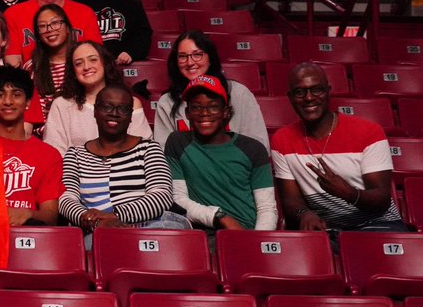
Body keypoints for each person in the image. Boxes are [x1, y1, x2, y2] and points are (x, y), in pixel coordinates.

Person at [272, 62, 406, 232]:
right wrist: (304, 214)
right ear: (290, 97)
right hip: (326, 230)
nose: (308, 98)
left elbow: (382, 199)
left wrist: (349, 193)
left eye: (317, 89)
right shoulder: (282, 139)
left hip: (378, 225)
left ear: (328, 91)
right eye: (300, 92)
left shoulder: (369, 132)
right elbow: (291, 198)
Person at [58, 83, 190, 246]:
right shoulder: (76, 154)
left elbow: (161, 195)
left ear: (130, 116)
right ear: (95, 111)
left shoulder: (148, 148)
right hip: (98, 232)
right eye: (107, 107)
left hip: (148, 227)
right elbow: (66, 198)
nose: (114, 113)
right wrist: (92, 221)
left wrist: (116, 216)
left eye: (123, 109)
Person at [167, 75, 278, 231]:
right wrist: (219, 216)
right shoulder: (177, 142)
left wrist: (256, 240)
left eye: (212, 106)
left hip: (247, 231)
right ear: (187, 113)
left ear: (226, 112)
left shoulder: (253, 149)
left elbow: (267, 209)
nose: (204, 113)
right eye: (196, 107)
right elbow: (178, 199)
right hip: (202, 233)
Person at [154, 30, 268, 150]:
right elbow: (163, 154)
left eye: (197, 54)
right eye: (182, 56)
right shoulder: (166, 102)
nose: (190, 62)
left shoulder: (238, 93)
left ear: (210, 58)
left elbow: (259, 145)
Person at [0, 65, 64, 226]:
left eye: (16, 95)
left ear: (28, 102)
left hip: (29, 237)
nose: (8, 101)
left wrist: (27, 214)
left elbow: (50, 215)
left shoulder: (48, 155)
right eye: (0, 95)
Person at [43, 41, 151, 155]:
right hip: (75, 171)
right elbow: (54, 153)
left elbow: (143, 150)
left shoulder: (131, 103)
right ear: (73, 72)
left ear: (105, 63)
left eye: (93, 60)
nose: (87, 67)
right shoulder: (61, 104)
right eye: (79, 63)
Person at [29, 4, 76, 125]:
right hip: (47, 136)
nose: (49, 29)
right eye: (42, 26)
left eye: (55, 23)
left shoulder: (82, 62)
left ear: (67, 28)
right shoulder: (32, 67)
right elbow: (33, 115)